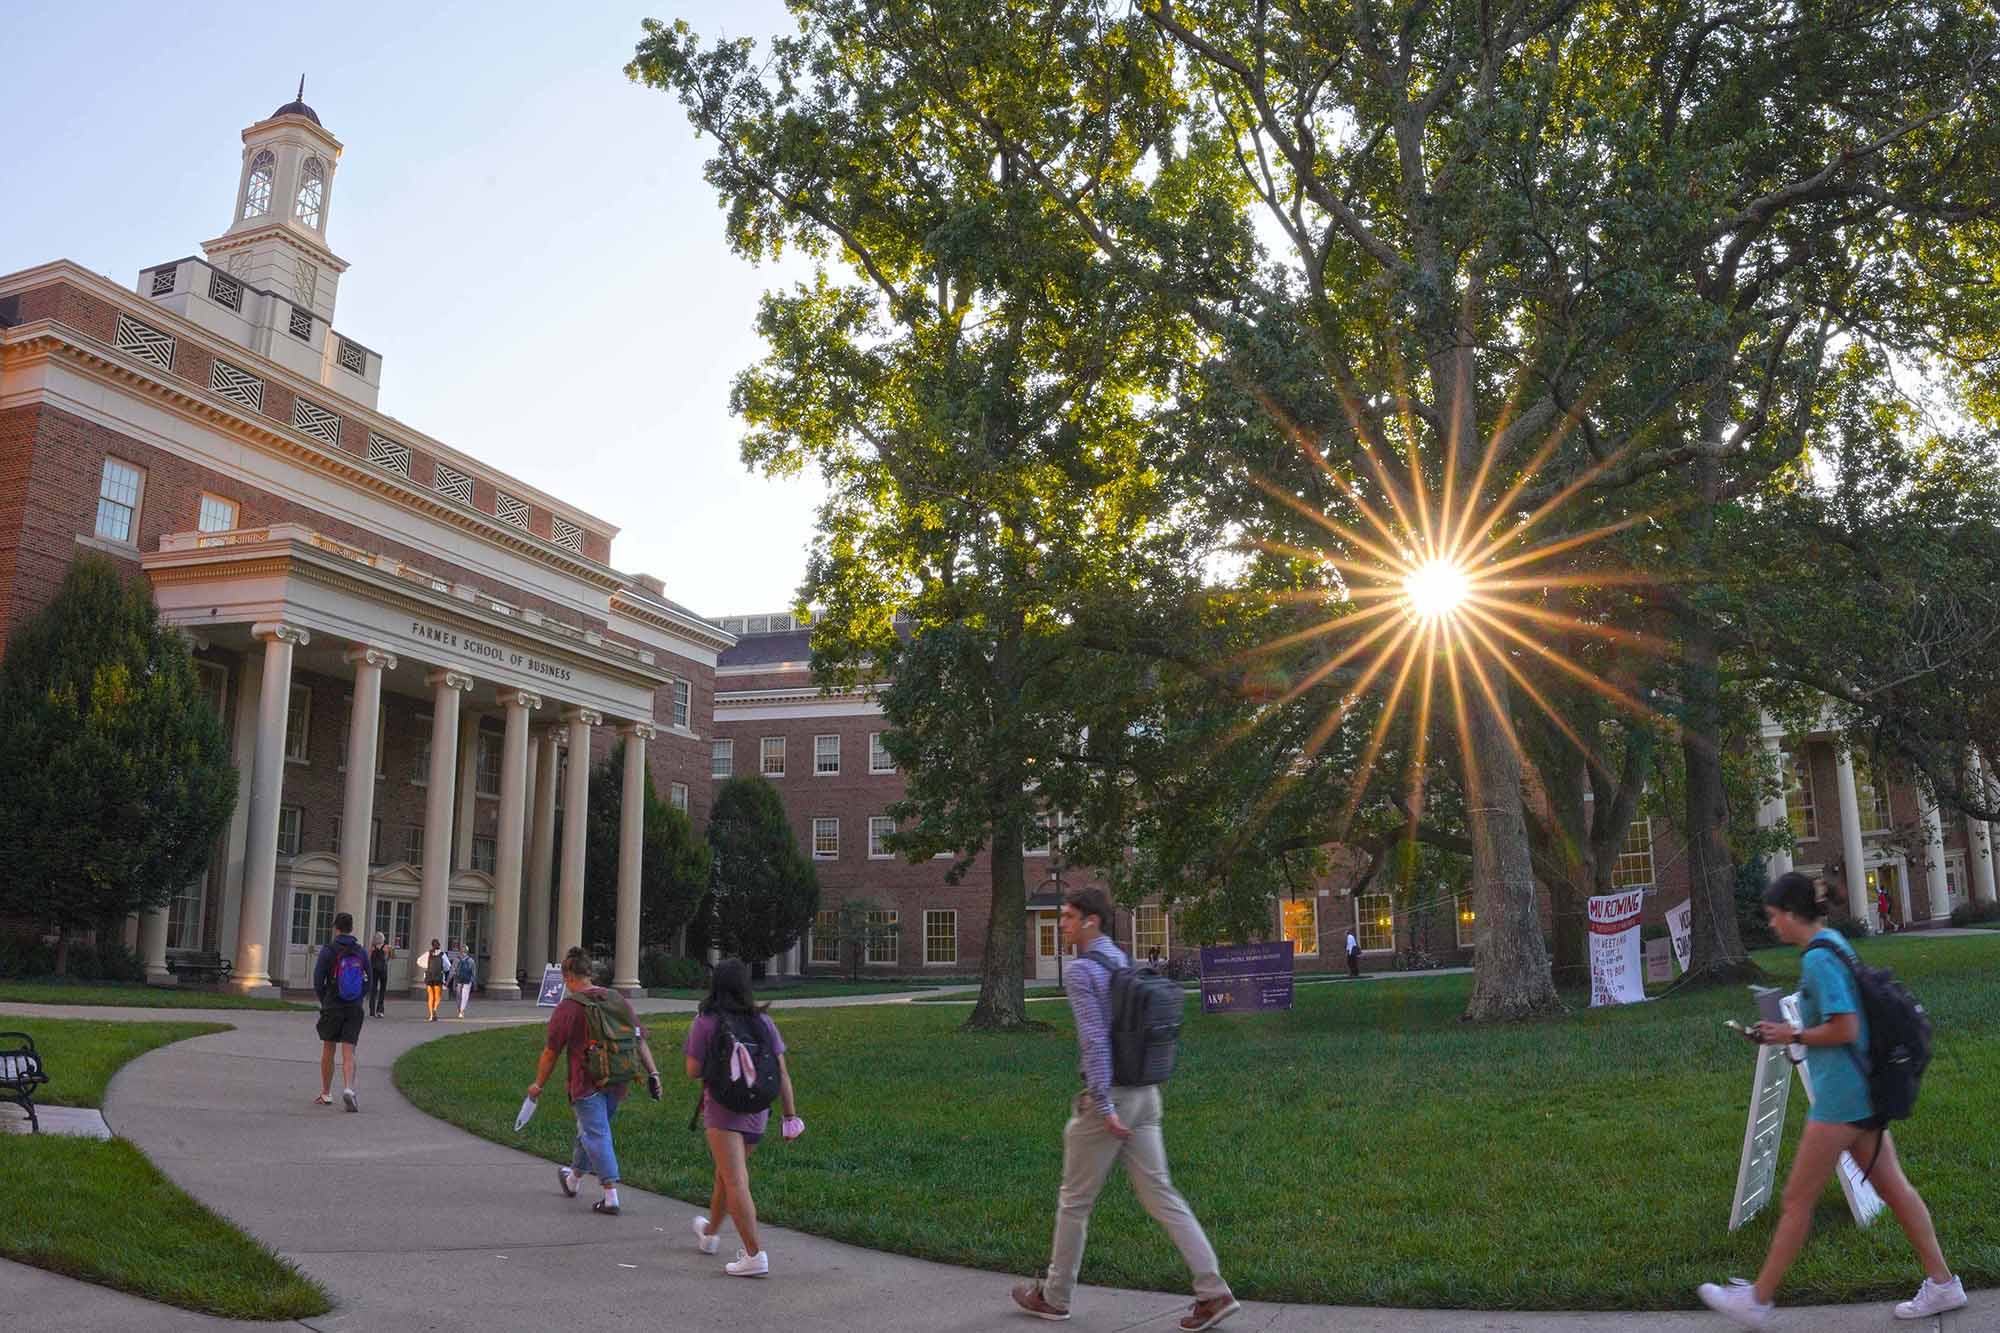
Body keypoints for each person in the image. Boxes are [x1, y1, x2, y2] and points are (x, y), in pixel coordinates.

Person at [1697, 871, 1964, 1328]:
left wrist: (1793, 1032)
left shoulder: (1818, 960)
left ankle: (1757, 1300)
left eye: (1774, 916)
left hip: (1841, 1100)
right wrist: (1785, 1032)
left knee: (1797, 1200)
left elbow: (1846, 1027)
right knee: (1894, 1190)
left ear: (1791, 913)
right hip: (1864, 1092)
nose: (1772, 925)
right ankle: (1943, 1284)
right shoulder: (1833, 942)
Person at [1012, 887, 1239, 1331]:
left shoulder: (1082, 972)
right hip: (1147, 1094)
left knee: (1074, 1202)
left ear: (1091, 921)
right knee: (1163, 1195)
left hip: (1110, 1102)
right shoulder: (1122, 961)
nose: (1062, 924)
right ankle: (1214, 1292)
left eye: (1069, 917)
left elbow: (1095, 1039)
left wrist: (1101, 1102)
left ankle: (1055, 1297)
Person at [685, 958, 798, 1277]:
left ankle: (754, 1255)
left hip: (722, 1111)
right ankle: (709, 1235)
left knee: (734, 1179)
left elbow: (692, 1070)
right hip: (758, 1110)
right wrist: (790, 1116)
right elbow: (782, 1072)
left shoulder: (706, 1022)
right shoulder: (763, 1022)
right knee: (727, 1175)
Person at [529, 947, 662, 1217]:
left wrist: (538, 1085)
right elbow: (638, 1038)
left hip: (586, 1083)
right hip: (618, 1077)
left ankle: (610, 1195)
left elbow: (551, 1052)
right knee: (589, 1131)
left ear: (568, 976)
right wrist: (654, 1073)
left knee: (596, 1134)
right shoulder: (616, 998)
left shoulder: (568, 1008)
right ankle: (572, 1179)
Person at [311, 911, 367, 1112]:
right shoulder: (360, 952)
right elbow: (367, 980)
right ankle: (349, 1089)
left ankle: (326, 1093)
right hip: (354, 1007)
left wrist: (325, 999)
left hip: (333, 1005)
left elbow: (318, 981)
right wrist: (359, 998)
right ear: (352, 928)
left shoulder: (328, 951)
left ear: (336, 928)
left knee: (328, 1048)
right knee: (349, 1051)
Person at [423, 938, 446, 1021]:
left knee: (430, 996)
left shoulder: (427, 954)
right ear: (439, 945)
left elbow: (419, 961)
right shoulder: (442, 955)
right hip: (438, 977)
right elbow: (447, 966)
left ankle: (431, 1015)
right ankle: (435, 1009)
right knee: (438, 996)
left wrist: (426, 967)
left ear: (432, 945)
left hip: (429, 977)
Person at [368, 932, 390, 1018]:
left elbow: (368, 958)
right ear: (383, 938)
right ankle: (380, 1010)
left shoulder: (372, 947)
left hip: (373, 970)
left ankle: (372, 1011)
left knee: (373, 990)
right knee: (382, 990)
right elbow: (388, 958)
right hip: (383, 970)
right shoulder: (386, 947)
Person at [453, 948, 476, 1018]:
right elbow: (473, 972)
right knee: (464, 996)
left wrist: (448, 981)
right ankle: (462, 1011)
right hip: (467, 980)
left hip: (458, 979)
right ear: (467, 952)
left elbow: (452, 970)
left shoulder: (456, 960)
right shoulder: (471, 960)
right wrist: (473, 982)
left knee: (458, 996)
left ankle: (460, 1010)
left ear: (460, 952)